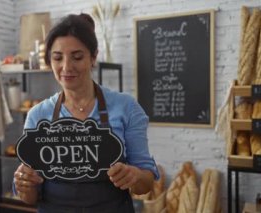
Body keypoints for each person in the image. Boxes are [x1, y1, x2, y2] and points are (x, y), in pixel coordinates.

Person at [13, 13, 159, 213]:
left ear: (93, 57)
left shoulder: (126, 107)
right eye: (57, 57)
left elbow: (146, 182)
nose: (66, 67)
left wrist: (134, 176)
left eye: (77, 56)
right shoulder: (37, 115)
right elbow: (30, 198)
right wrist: (25, 184)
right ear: (49, 61)